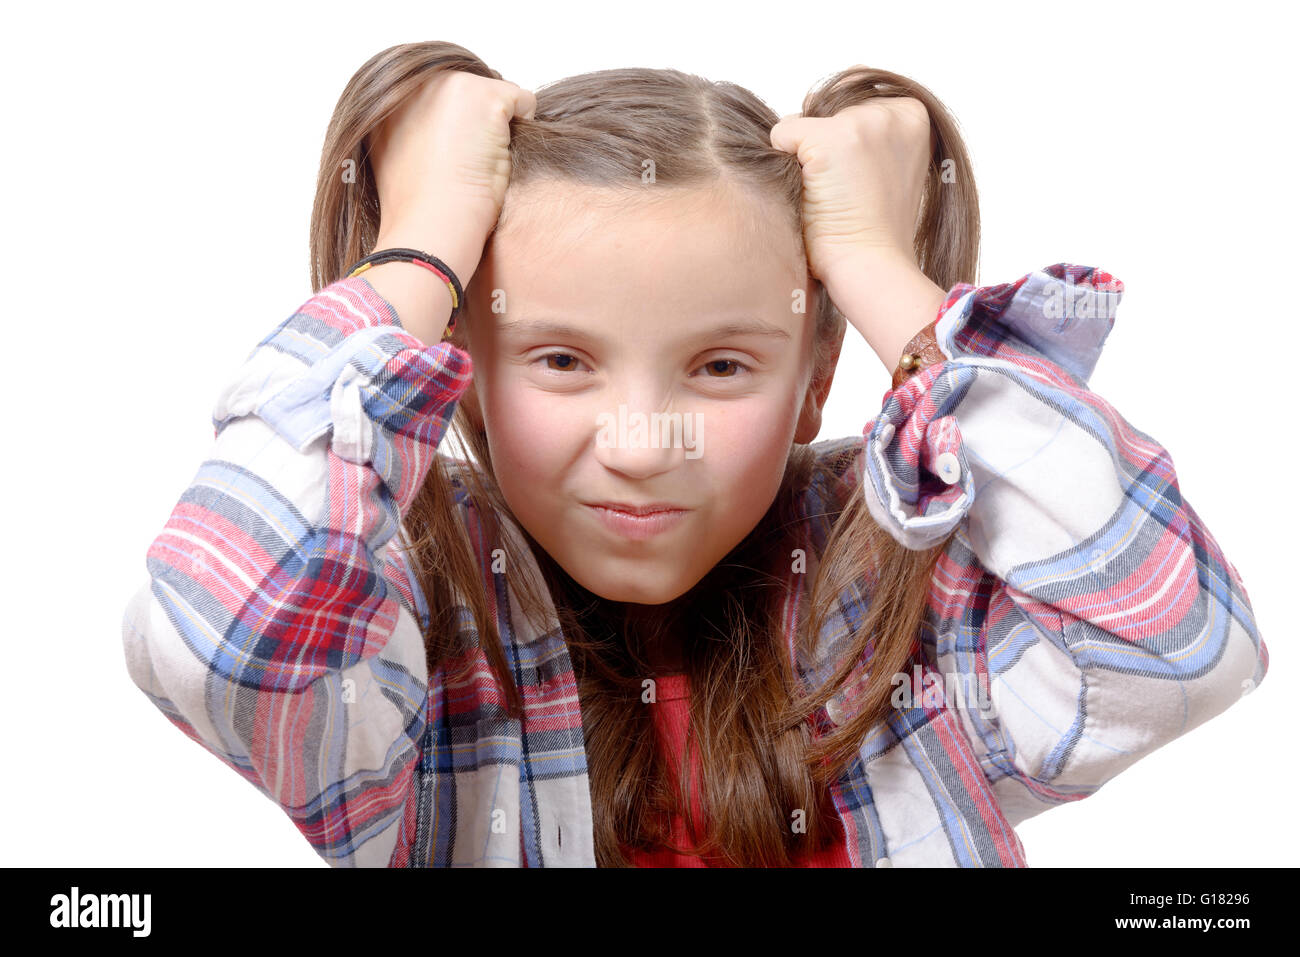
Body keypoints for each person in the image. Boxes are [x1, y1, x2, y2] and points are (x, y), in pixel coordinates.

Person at [119, 41, 1268, 867]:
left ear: (818, 372)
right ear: (460, 356)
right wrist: (418, 254)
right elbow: (221, 635)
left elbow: (1175, 649)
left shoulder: (896, 592)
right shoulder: (405, 621)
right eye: (562, 360)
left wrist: (881, 275)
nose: (638, 445)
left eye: (720, 366)